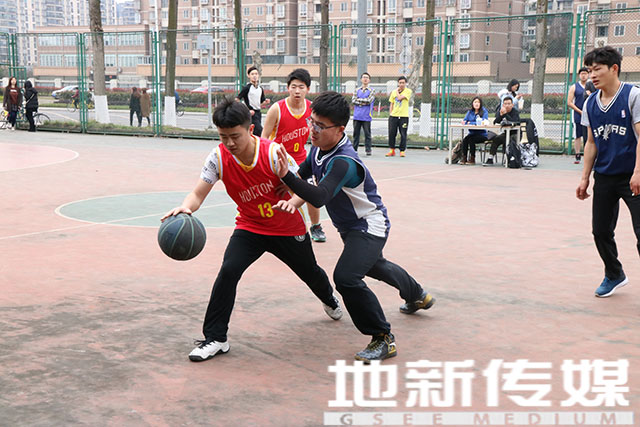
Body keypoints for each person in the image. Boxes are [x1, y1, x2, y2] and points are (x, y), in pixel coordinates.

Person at [161, 98, 342, 362]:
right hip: (250, 226)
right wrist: (185, 207)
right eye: (223, 137)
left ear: (251, 130)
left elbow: (303, 189)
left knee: (310, 272)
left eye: (235, 136)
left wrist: (292, 202)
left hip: (286, 227)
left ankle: (329, 297)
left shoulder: (273, 153)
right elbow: (198, 194)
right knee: (228, 271)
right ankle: (216, 338)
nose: (230, 143)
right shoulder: (217, 157)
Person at [273, 91, 435, 363]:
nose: (313, 130)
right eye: (312, 122)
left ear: (340, 130)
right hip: (351, 227)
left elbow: (320, 196)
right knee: (375, 266)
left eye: (320, 126)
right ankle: (417, 294)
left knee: (346, 277)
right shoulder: (320, 149)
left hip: (369, 224)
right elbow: (304, 175)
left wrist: (286, 178)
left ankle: (382, 337)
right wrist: (287, 193)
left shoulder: (343, 161)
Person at [576, 46, 640, 298]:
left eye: (597, 69)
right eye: (589, 70)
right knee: (600, 231)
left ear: (614, 69)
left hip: (632, 175)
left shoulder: (632, 96)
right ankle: (614, 274)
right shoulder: (590, 103)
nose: (592, 75)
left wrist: (638, 171)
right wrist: (584, 178)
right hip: (604, 175)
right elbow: (591, 142)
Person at [262, 68, 327, 243]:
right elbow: (264, 138)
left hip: (301, 161)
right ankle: (268, 227)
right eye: (294, 87)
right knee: (273, 194)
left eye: (301, 87)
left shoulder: (312, 110)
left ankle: (315, 226)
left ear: (308, 89)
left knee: (311, 192)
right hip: (279, 160)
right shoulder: (277, 109)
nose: (297, 91)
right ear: (288, 88)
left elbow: (319, 134)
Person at [484, 96, 521, 166]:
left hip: (515, 134)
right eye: (505, 104)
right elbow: (496, 122)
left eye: (509, 104)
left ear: (512, 105)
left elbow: (515, 121)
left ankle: (507, 158)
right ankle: (490, 158)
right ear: (503, 105)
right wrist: (500, 115)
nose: (507, 105)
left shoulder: (515, 112)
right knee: (496, 139)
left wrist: (505, 114)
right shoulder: (501, 111)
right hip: (506, 133)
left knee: (508, 141)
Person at [237, 66, 270, 137]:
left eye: (256, 74)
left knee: (254, 134)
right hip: (251, 114)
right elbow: (237, 99)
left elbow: (260, 103)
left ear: (258, 75)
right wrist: (246, 110)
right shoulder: (247, 88)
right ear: (248, 76)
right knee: (261, 132)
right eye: (252, 74)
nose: (254, 76)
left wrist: (266, 102)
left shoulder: (260, 89)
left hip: (258, 113)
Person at [568, 67, 589, 164]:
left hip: (589, 115)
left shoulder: (592, 86)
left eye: (585, 73)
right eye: (582, 74)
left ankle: (588, 155)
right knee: (577, 135)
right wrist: (580, 111)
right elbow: (569, 102)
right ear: (579, 75)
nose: (584, 75)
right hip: (578, 115)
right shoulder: (574, 87)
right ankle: (577, 154)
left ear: (588, 75)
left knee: (589, 136)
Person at [386, 76, 412, 157]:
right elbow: (392, 103)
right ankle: (392, 150)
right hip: (394, 116)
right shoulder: (393, 92)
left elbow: (400, 98)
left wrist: (397, 91)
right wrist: (391, 114)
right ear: (398, 83)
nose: (401, 84)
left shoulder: (408, 91)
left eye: (403, 83)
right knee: (392, 133)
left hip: (404, 116)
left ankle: (402, 150)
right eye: (400, 83)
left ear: (405, 83)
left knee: (403, 133)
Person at [460, 96, 489, 165]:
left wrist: (471, 123)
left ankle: (472, 158)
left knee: (471, 140)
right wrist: (466, 122)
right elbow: (465, 121)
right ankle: (464, 158)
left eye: (478, 102)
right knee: (465, 140)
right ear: (472, 104)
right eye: (475, 102)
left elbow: (483, 121)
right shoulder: (470, 112)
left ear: (480, 104)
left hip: (482, 134)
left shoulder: (484, 111)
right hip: (472, 133)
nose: (476, 104)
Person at [351, 72, 375, 156]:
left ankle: (368, 150)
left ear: (369, 80)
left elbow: (369, 101)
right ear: (361, 79)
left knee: (367, 134)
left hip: (366, 116)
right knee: (356, 134)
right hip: (357, 115)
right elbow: (353, 100)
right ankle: (354, 149)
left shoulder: (372, 90)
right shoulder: (356, 90)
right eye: (364, 77)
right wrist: (363, 101)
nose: (365, 79)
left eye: (367, 77)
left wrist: (359, 100)